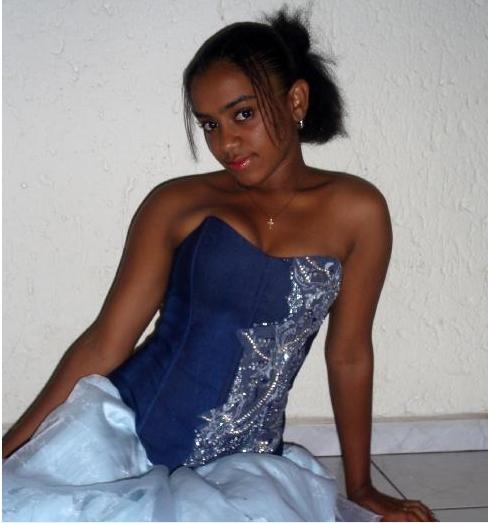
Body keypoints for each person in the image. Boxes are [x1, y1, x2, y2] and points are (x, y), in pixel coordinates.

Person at [2, 8, 436, 522]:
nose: (225, 142)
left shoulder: (358, 212)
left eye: (243, 114)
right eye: (210, 124)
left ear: (295, 100)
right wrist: (10, 448)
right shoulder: (176, 204)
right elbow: (106, 342)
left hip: (246, 472)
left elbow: (349, 356)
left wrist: (361, 485)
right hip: (125, 444)